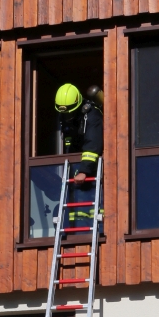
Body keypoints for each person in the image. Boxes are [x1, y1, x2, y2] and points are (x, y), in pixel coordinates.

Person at [54, 83, 104, 232]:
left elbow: (93, 143)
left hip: (92, 172)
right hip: (77, 172)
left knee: (94, 208)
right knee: (74, 212)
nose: (67, 116)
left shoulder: (91, 115)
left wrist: (84, 170)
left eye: (69, 112)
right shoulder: (66, 118)